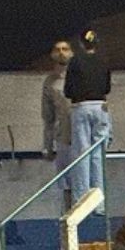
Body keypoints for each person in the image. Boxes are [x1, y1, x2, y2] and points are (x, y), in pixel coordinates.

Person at [64, 30, 114, 198]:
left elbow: (68, 90)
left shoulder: (75, 62)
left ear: (80, 43)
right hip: (101, 107)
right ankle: (99, 199)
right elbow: (107, 88)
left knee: (82, 154)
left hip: (81, 106)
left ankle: (82, 198)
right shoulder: (103, 61)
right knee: (98, 154)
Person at [43, 40, 74, 200]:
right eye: (58, 49)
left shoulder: (80, 76)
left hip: (85, 138)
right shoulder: (50, 82)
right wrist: (47, 145)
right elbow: (48, 117)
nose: (61, 52)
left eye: (65, 49)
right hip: (63, 138)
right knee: (67, 185)